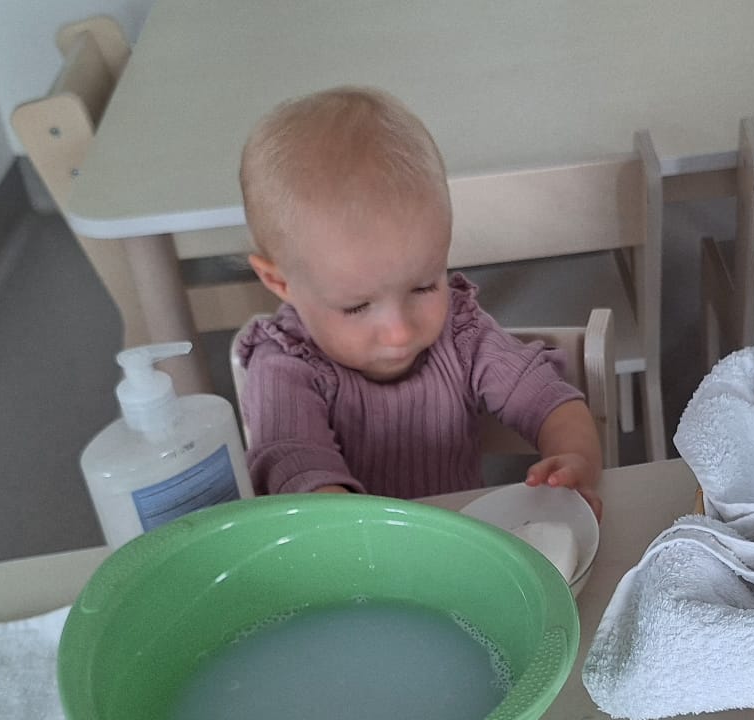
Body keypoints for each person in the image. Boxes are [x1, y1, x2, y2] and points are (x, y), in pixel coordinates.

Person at [233, 86, 603, 514]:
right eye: (356, 307)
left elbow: (545, 397)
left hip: (461, 537)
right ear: (279, 281)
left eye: (424, 287)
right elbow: (295, 467)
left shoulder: (460, 332)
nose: (400, 332)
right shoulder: (285, 364)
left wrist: (574, 457)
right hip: (352, 549)